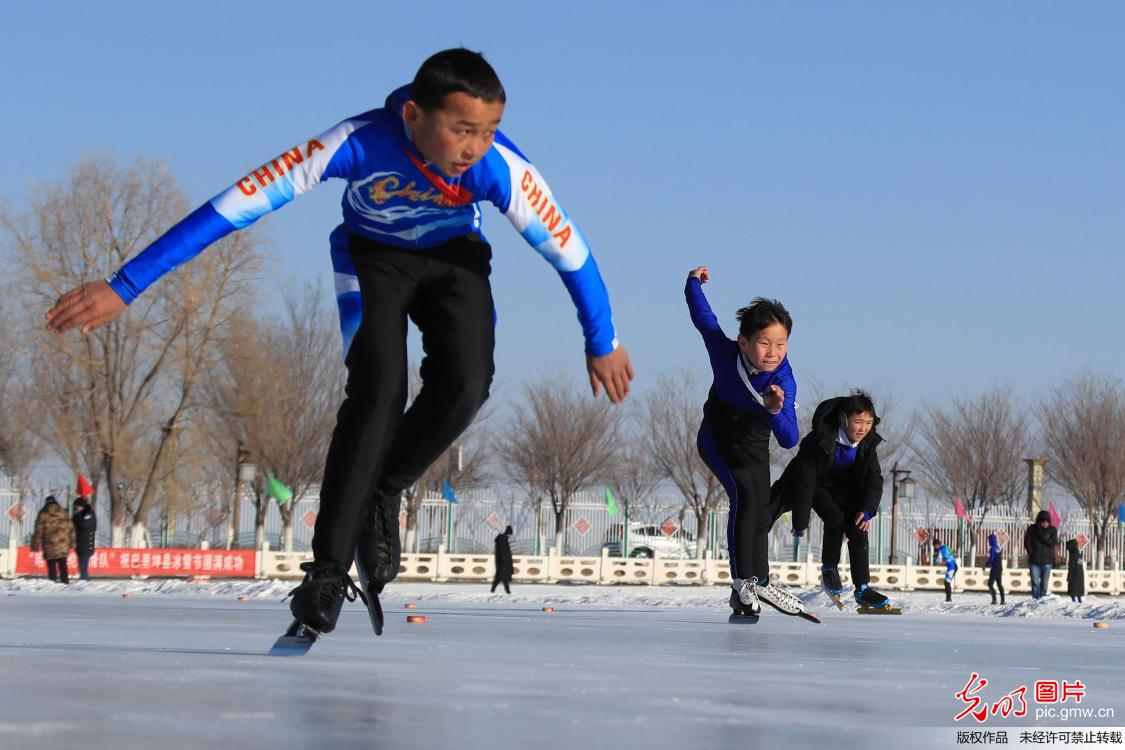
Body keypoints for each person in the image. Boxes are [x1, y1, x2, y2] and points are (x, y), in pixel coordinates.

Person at [45, 49, 633, 636]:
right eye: (461, 130)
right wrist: (127, 284)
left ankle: (384, 489)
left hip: (453, 261)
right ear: (413, 115)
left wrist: (600, 338)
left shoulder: (500, 169)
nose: (475, 147)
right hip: (370, 259)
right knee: (378, 389)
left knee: (468, 385)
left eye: (488, 131)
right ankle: (326, 571)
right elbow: (234, 205)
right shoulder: (356, 141)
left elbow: (570, 253)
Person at [685, 266, 804, 619]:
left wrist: (774, 409)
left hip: (753, 442)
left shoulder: (784, 378)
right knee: (745, 496)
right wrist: (692, 281)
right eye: (764, 343)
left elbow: (790, 438)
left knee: (760, 504)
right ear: (743, 341)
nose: (773, 352)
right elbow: (702, 316)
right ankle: (743, 585)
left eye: (781, 344)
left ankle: (760, 580)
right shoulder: (724, 352)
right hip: (718, 438)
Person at [771, 391, 890, 609]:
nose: (863, 428)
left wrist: (868, 509)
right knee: (835, 519)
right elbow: (805, 482)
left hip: (843, 490)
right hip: (815, 484)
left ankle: (862, 588)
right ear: (844, 420)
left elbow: (874, 480)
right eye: (857, 422)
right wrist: (800, 522)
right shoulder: (819, 439)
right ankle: (829, 569)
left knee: (858, 527)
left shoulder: (867, 444)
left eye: (868, 423)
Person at [30, 496, 75, 584]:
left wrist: (35, 545)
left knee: (51, 565)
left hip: (49, 544)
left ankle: (52, 582)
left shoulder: (43, 514)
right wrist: (72, 542)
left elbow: (38, 530)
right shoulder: (64, 512)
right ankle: (65, 582)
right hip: (63, 543)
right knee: (63, 564)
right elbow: (71, 528)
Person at [1024, 510, 1057, 599]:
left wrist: (1042, 536)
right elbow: (1027, 543)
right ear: (1039, 521)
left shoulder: (1052, 530)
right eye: (1043, 522)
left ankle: (1042, 599)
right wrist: (1032, 553)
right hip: (1034, 562)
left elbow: (1053, 543)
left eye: (1047, 522)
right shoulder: (1032, 529)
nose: (1045, 524)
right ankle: (1035, 599)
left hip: (1047, 561)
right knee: (1035, 582)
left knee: (1044, 583)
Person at [72, 498, 97, 581]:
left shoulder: (89, 514)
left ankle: (85, 581)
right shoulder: (79, 515)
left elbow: (84, 524)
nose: (76, 509)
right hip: (80, 544)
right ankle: (84, 580)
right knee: (81, 565)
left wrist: (77, 517)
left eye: (77, 507)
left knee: (83, 566)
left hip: (86, 544)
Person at [933, 538, 957, 602]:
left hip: (951, 567)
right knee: (946, 582)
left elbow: (938, 561)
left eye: (934, 546)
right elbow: (952, 552)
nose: (935, 548)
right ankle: (948, 599)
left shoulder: (940, 550)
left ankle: (948, 599)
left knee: (947, 582)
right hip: (954, 565)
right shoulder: (946, 546)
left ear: (937, 545)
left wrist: (937, 562)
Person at [491, 525, 514, 594]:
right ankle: (507, 591)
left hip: (503, 562)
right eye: (510, 534)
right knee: (502, 577)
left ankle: (494, 590)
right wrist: (506, 561)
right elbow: (504, 552)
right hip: (503, 562)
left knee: (501, 577)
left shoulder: (503, 540)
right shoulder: (502, 540)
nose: (511, 536)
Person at [986, 532, 1005, 605]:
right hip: (1000, 567)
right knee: (999, 584)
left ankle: (994, 600)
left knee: (990, 584)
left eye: (989, 540)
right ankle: (1003, 600)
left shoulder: (993, 549)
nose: (989, 542)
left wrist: (987, 564)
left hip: (994, 568)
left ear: (991, 540)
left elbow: (992, 559)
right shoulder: (998, 547)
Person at [1065, 538, 1085, 604]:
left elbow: (1071, 567)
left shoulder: (1073, 555)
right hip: (1080, 576)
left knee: (1073, 592)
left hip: (1074, 576)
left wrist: (1069, 577)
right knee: (1078, 592)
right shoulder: (1078, 554)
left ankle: (1074, 602)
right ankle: (1079, 601)